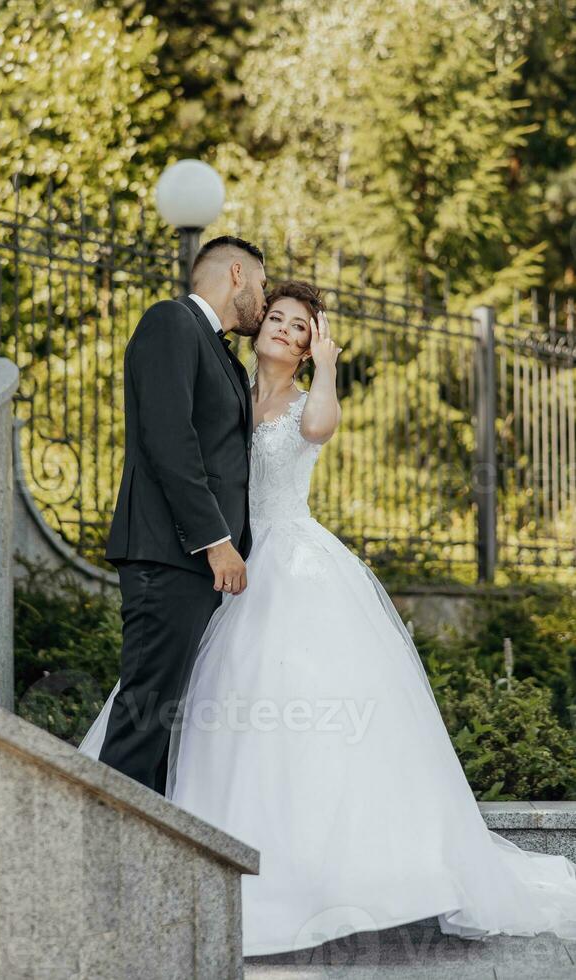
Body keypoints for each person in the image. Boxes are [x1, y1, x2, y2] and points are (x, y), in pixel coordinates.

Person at [82, 279, 576, 956]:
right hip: (229, 569)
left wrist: (330, 366)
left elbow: (318, 428)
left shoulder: (302, 401)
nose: (284, 328)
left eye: (299, 324)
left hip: (293, 568)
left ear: (311, 341)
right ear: (257, 330)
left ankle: (319, 874)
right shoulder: (226, 387)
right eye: (276, 317)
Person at [78, 235, 266, 795]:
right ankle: (105, 861)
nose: (264, 294)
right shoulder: (170, 322)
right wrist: (214, 539)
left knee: (161, 724)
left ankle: (144, 860)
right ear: (237, 273)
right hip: (169, 556)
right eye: (261, 281)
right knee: (143, 719)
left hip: (193, 567)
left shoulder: (219, 352)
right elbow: (169, 440)